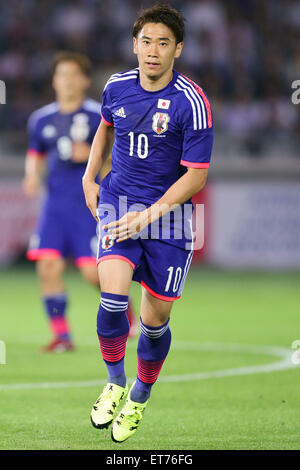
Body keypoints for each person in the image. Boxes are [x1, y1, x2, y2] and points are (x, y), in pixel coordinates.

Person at [83, 4, 213, 442]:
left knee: (155, 323)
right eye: (145, 41)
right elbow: (105, 127)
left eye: (163, 43)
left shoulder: (192, 102)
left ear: (178, 49)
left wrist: (152, 214)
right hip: (119, 206)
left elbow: (196, 175)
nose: (152, 51)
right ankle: (115, 382)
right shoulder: (116, 86)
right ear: (133, 45)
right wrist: (89, 172)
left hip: (170, 220)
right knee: (113, 299)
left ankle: (139, 396)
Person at [23, 52, 137, 353]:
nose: (68, 81)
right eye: (62, 75)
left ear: (85, 80)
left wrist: (90, 155)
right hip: (55, 206)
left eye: (74, 75)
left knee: (93, 273)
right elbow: (35, 154)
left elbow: (116, 157)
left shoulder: (98, 115)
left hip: (89, 205)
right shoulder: (41, 119)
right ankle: (62, 336)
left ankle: (127, 312)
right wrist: (31, 176)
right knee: (47, 267)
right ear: (54, 81)